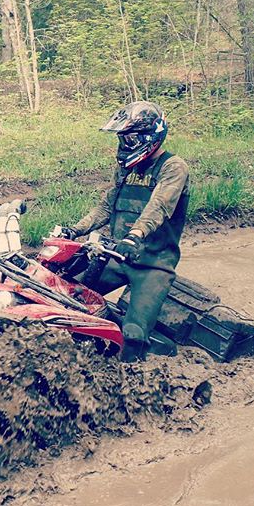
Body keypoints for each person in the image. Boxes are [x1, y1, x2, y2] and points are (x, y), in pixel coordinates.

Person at [67, 101, 190, 361]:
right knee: (68, 296)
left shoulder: (173, 167)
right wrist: (74, 230)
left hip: (153, 265)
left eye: (131, 139)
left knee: (133, 336)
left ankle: (133, 383)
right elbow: (105, 208)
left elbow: (158, 207)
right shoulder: (126, 169)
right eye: (123, 139)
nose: (125, 145)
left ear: (150, 137)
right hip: (118, 257)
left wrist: (134, 235)